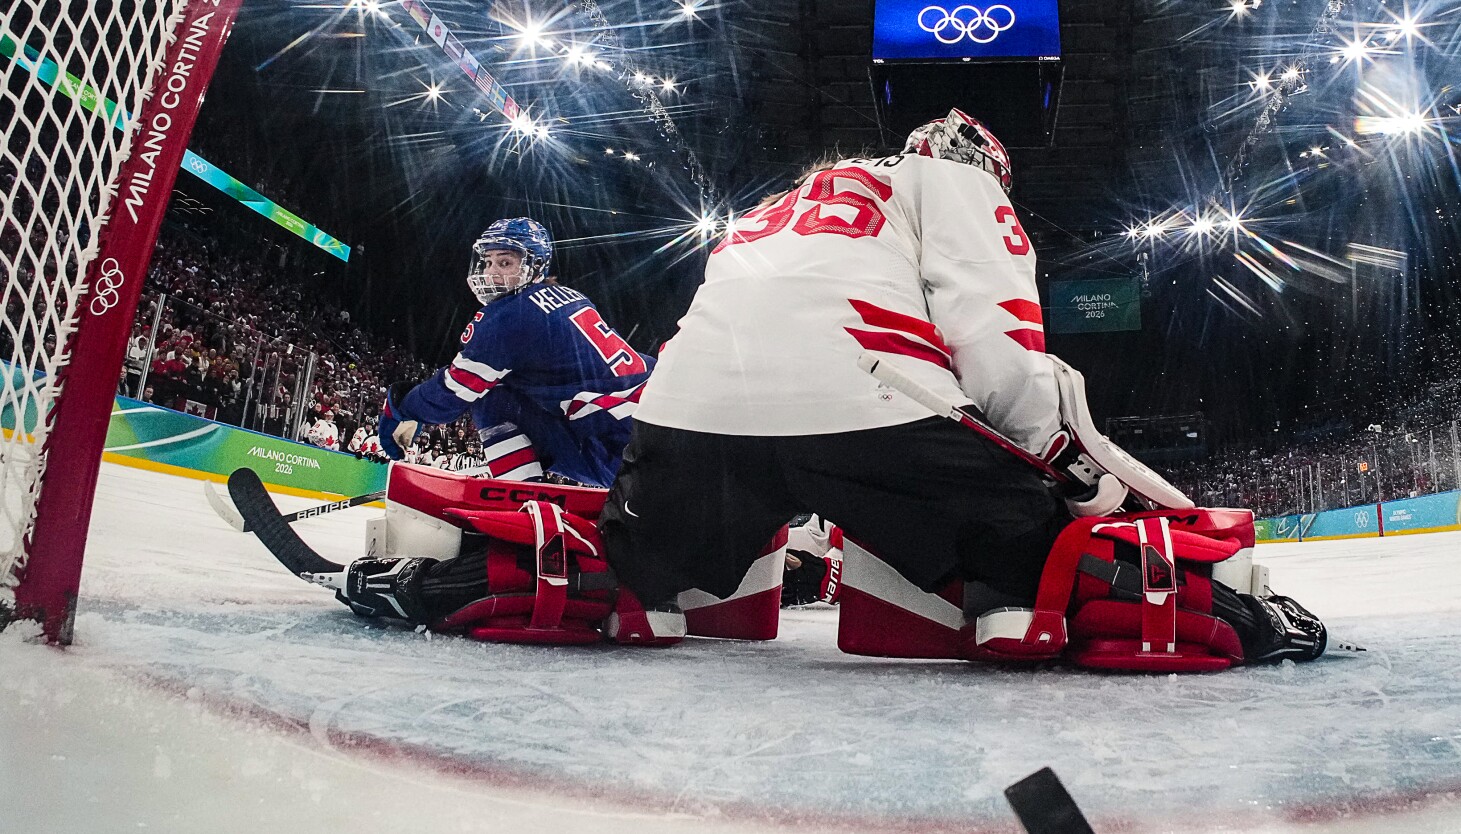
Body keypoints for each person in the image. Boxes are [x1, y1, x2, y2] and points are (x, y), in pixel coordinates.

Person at [597, 108, 1330, 665]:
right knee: (1022, 535)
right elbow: (993, 330)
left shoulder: (767, 209)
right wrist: (1043, 459)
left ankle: (648, 596)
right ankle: (1010, 613)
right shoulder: (953, 178)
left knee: (649, 557)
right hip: (867, 409)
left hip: (685, 422)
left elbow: (712, 326)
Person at [376, 218, 654, 488]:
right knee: (508, 384)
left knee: (491, 398)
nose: (490, 273)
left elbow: (454, 392)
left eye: (505, 262)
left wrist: (401, 404)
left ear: (535, 266)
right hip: (654, 427)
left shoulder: (508, 316)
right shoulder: (572, 296)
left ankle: (523, 499)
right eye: (487, 262)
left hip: (621, 454)